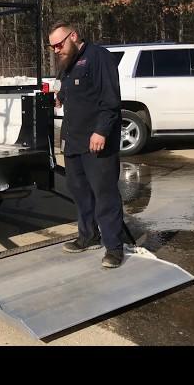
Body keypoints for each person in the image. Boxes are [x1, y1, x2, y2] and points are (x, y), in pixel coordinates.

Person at [48, 21, 125, 268]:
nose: (56, 50)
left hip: (97, 142)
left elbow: (110, 99)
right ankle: (88, 236)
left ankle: (114, 247)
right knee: (80, 193)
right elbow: (72, 91)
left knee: (105, 195)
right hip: (74, 141)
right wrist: (60, 97)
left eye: (59, 44)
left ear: (74, 35)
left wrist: (101, 131)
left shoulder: (98, 57)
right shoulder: (68, 63)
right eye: (52, 47)